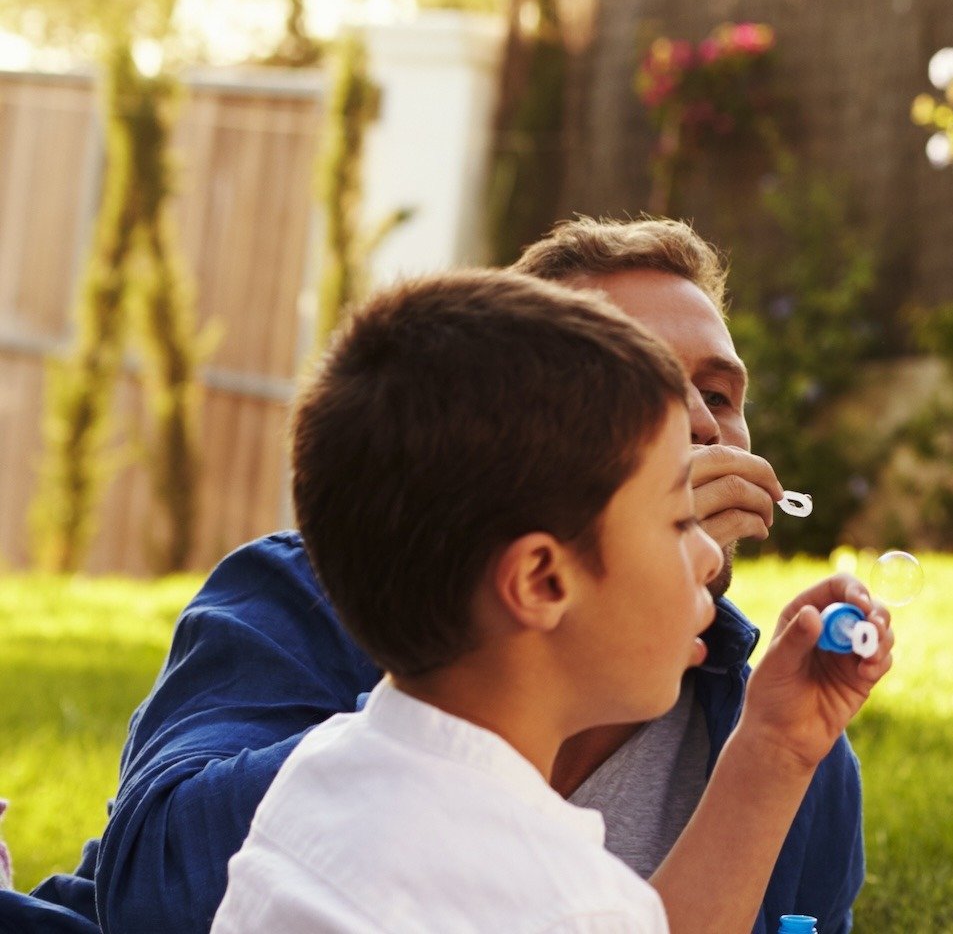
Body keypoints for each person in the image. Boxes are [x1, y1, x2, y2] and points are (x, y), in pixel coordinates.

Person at [17, 217, 864, 934]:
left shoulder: (784, 738)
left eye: (719, 394)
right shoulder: (314, 599)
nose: (701, 427)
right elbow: (153, 890)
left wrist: (772, 755)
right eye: (645, 391)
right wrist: (469, 661)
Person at [210, 269, 889, 932]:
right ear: (540, 580)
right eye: (677, 521)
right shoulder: (565, 898)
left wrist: (771, 746)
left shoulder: (321, 772)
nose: (711, 552)